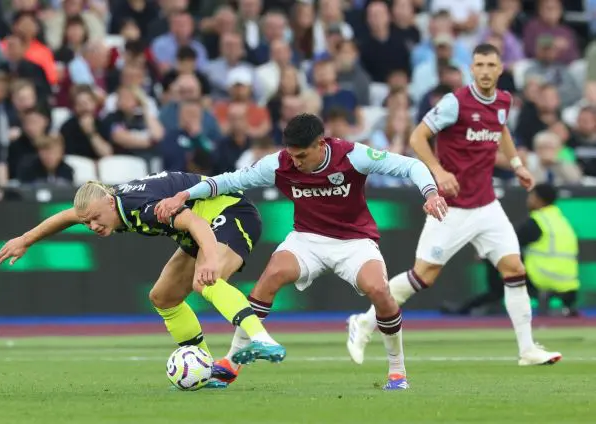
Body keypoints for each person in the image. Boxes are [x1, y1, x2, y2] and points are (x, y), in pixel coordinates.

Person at [155, 113, 448, 391]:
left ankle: (397, 369)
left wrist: (430, 192)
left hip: (354, 241)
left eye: (302, 156)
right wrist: (185, 194)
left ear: (321, 144)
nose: (295, 163)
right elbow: (229, 180)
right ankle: (231, 363)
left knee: (380, 291)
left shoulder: (353, 155)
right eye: (292, 155)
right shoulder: (278, 164)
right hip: (307, 239)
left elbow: (411, 166)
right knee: (271, 276)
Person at [344, 44, 562, 367]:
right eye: (480, 65)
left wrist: (516, 164)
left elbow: (500, 128)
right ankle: (363, 322)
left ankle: (527, 348)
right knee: (422, 277)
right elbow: (418, 137)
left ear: (500, 69)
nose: (486, 70)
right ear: (472, 69)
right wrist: (440, 171)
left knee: (515, 269)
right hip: (451, 207)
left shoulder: (503, 101)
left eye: (491, 64)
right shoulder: (455, 103)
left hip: (487, 205)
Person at [0, 172, 286, 389]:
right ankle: (206, 369)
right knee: (163, 297)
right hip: (199, 226)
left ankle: (262, 339)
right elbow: (68, 216)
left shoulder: (142, 208)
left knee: (204, 282)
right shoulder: (104, 204)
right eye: (87, 223)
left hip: (228, 212)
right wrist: (26, 239)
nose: (93, 226)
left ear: (110, 202)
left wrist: (209, 259)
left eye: (95, 218)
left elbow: (195, 223)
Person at [443, 184, 580, 317]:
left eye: (531, 196)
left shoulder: (538, 221)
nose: (528, 200)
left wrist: (484, 254)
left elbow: (507, 240)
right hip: (568, 282)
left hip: (542, 276)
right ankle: (488, 299)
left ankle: (493, 298)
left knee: (494, 255)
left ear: (538, 199)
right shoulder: (561, 220)